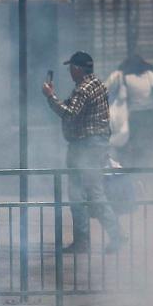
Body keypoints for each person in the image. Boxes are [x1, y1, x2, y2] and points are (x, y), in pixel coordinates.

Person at [43, 51, 126, 253]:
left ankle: (105, 237)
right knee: (86, 193)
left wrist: (50, 96)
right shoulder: (97, 83)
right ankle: (97, 239)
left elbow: (69, 113)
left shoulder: (83, 89)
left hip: (86, 147)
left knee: (85, 194)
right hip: (93, 145)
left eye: (71, 67)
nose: (70, 71)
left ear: (77, 69)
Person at [104, 55, 153, 167]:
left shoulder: (121, 76)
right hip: (150, 115)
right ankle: (146, 169)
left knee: (130, 145)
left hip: (134, 117)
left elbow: (104, 89)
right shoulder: (150, 75)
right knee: (146, 146)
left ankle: (130, 169)